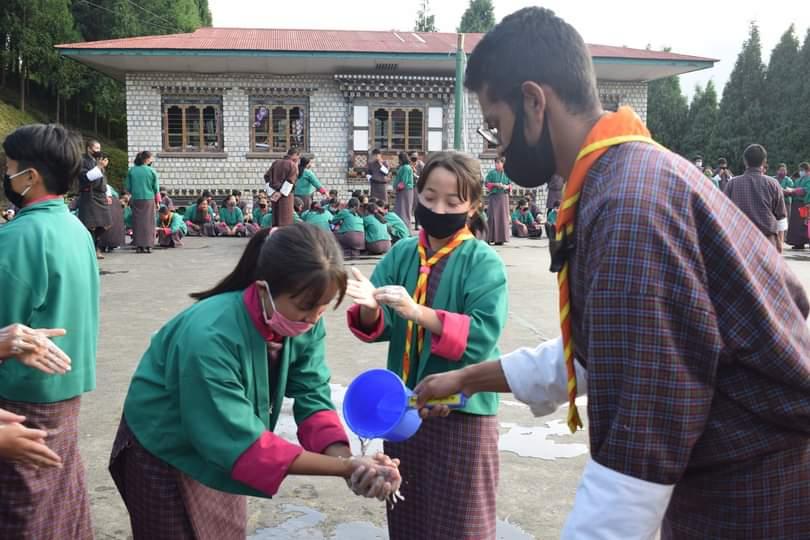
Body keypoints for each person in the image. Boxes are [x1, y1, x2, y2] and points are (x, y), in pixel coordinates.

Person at [415, 7, 810, 539]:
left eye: (496, 123)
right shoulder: (623, 177)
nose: (497, 145)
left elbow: (637, 454)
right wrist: (466, 378)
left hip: (757, 496)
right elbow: (607, 346)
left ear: (534, 102)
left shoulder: (629, 207)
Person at [108, 224, 402, 539]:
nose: (314, 319)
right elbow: (241, 444)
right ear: (264, 290)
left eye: (322, 308)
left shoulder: (303, 321)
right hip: (166, 445)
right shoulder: (209, 335)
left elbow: (312, 396)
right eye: (305, 308)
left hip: (228, 442)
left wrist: (350, 461)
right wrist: (345, 468)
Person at [346, 151, 508, 540]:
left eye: (453, 202)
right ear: (416, 195)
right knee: (408, 516)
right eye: (430, 197)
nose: (439, 208)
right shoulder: (403, 252)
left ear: (472, 206)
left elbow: (483, 334)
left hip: (463, 414)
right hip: (404, 410)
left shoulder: (483, 261)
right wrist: (370, 308)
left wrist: (418, 313)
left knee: (461, 522)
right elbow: (380, 325)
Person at [1, 124, 99, 538]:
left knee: (24, 512)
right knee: (59, 501)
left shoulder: (18, 236)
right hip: (67, 388)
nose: (6, 177)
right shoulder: (75, 229)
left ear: (30, 176)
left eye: (9, 168)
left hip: (20, 397)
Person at [723, 144, 787, 252]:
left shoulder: (732, 183)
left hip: (739, 242)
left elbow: (723, 213)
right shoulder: (773, 184)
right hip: (767, 241)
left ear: (744, 161)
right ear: (764, 162)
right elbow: (781, 216)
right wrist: (780, 241)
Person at [77, 140, 112, 259]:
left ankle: (95, 245)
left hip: (101, 195)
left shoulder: (99, 161)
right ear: (89, 149)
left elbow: (104, 179)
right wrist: (99, 167)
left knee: (106, 223)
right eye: (96, 148)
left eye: (99, 148)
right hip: (89, 195)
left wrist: (108, 194)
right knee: (90, 224)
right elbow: (85, 177)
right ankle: (94, 248)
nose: (98, 151)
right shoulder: (82, 161)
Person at [125, 150, 160, 254]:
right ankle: (148, 245)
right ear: (147, 159)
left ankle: (139, 245)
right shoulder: (151, 171)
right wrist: (158, 201)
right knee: (149, 222)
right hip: (148, 199)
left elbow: (128, 187)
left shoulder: (132, 170)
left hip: (136, 199)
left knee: (137, 222)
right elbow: (156, 188)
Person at [264, 148, 300, 227]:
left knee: (276, 219)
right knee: (285, 221)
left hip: (274, 195)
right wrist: (280, 193)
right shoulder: (292, 165)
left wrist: (272, 192)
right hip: (286, 197)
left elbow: (266, 176)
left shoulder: (275, 163)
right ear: (296, 156)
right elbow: (291, 180)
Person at [484, 156, 511, 245]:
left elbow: (510, 185)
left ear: (503, 164)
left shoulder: (507, 173)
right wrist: (495, 184)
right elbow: (486, 184)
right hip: (494, 197)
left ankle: (500, 239)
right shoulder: (492, 173)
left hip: (503, 197)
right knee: (492, 217)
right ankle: (490, 237)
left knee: (502, 217)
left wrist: (506, 186)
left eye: (499, 163)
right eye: (496, 163)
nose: (497, 164)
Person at [786, 163, 810, 249]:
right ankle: (798, 243)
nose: (800, 172)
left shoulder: (809, 179)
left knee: (805, 224)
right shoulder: (798, 180)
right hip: (796, 204)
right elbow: (793, 189)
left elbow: (807, 190)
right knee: (796, 225)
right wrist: (788, 191)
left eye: (802, 170)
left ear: (806, 170)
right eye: (800, 170)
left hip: (805, 204)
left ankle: (805, 241)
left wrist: (794, 190)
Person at [99, 184, 126, 253]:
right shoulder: (108, 186)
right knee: (113, 223)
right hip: (114, 203)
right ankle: (112, 244)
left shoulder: (94, 185)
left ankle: (102, 245)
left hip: (104, 202)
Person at [393, 152, 415, 231]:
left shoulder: (405, 168)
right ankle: (404, 228)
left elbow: (404, 181)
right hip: (405, 191)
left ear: (401, 159)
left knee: (403, 210)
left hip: (404, 191)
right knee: (403, 209)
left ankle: (405, 228)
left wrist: (396, 188)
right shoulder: (405, 167)